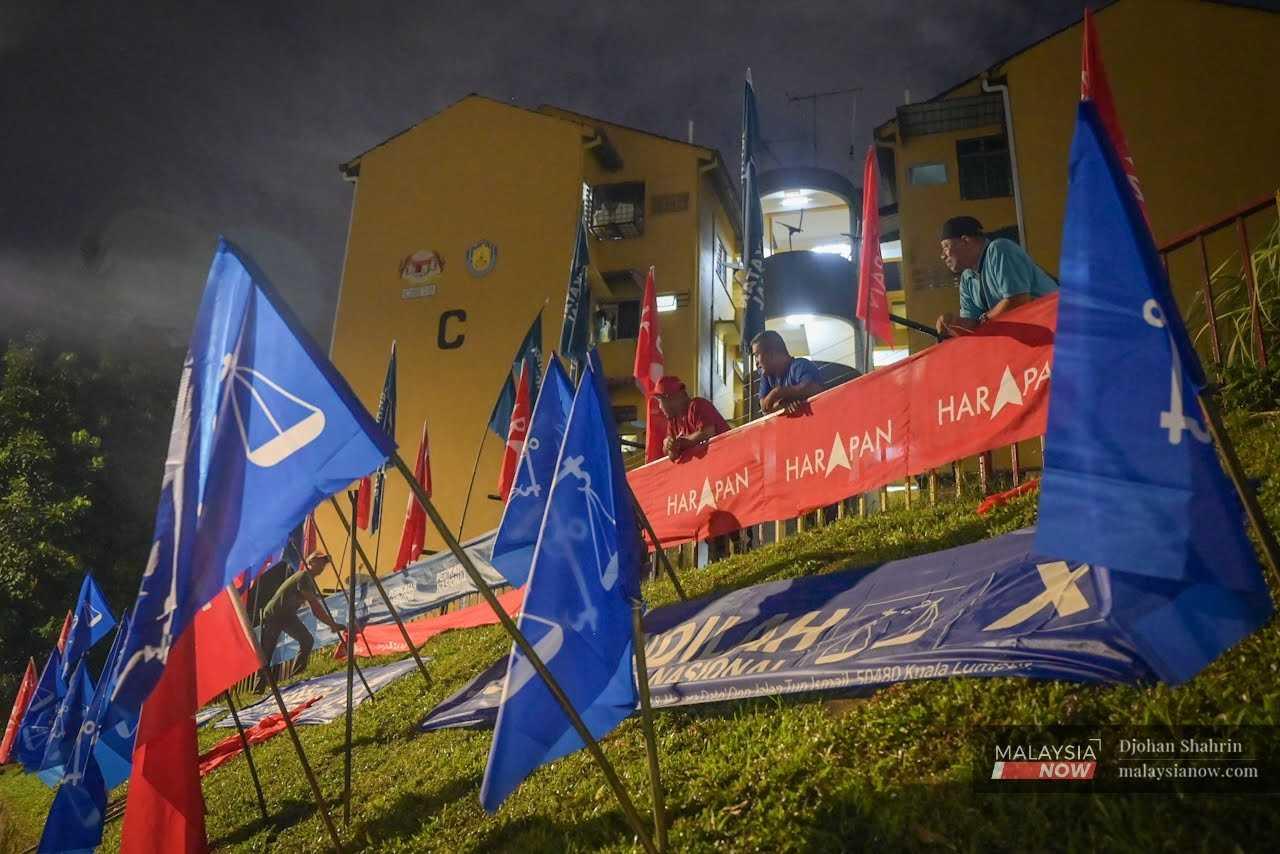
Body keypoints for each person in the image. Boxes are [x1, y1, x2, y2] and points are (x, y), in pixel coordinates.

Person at [934, 216, 1058, 337]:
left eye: (946, 247)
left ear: (965, 240)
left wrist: (983, 320)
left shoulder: (1000, 249)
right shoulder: (967, 279)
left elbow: (1017, 301)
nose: (942, 256)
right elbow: (972, 326)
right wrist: (953, 324)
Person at [251, 552, 343, 690]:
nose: (323, 565)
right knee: (267, 652)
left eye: (325, 563)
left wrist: (332, 624)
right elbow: (315, 608)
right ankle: (259, 688)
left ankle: (296, 677)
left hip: (287, 616)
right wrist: (332, 624)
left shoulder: (309, 580)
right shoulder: (303, 577)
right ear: (310, 562)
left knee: (307, 640)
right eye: (320, 561)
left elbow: (315, 608)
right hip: (273, 615)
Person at [654, 375, 730, 461]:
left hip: (729, 459)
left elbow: (708, 432)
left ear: (673, 398)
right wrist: (667, 444)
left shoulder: (697, 405)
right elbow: (671, 456)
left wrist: (679, 444)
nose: (660, 407)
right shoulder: (673, 421)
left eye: (660, 401)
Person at [751, 330, 824, 414]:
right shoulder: (767, 376)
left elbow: (815, 388)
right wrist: (781, 403)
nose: (756, 362)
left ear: (772, 353)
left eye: (757, 355)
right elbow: (765, 406)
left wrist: (778, 392)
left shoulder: (800, 365)